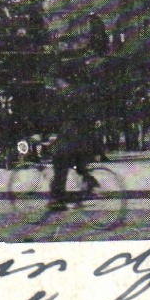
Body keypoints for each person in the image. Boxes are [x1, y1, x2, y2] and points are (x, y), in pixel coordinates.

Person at [48, 69, 98, 212]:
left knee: (59, 163)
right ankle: (88, 182)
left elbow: (55, 116)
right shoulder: (79, 93)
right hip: (82, 138)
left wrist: (48, 134)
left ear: (62, 81)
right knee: (76, 165)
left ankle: (59, 199)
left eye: (58, 81)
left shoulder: (64, 95)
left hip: (70, 138)